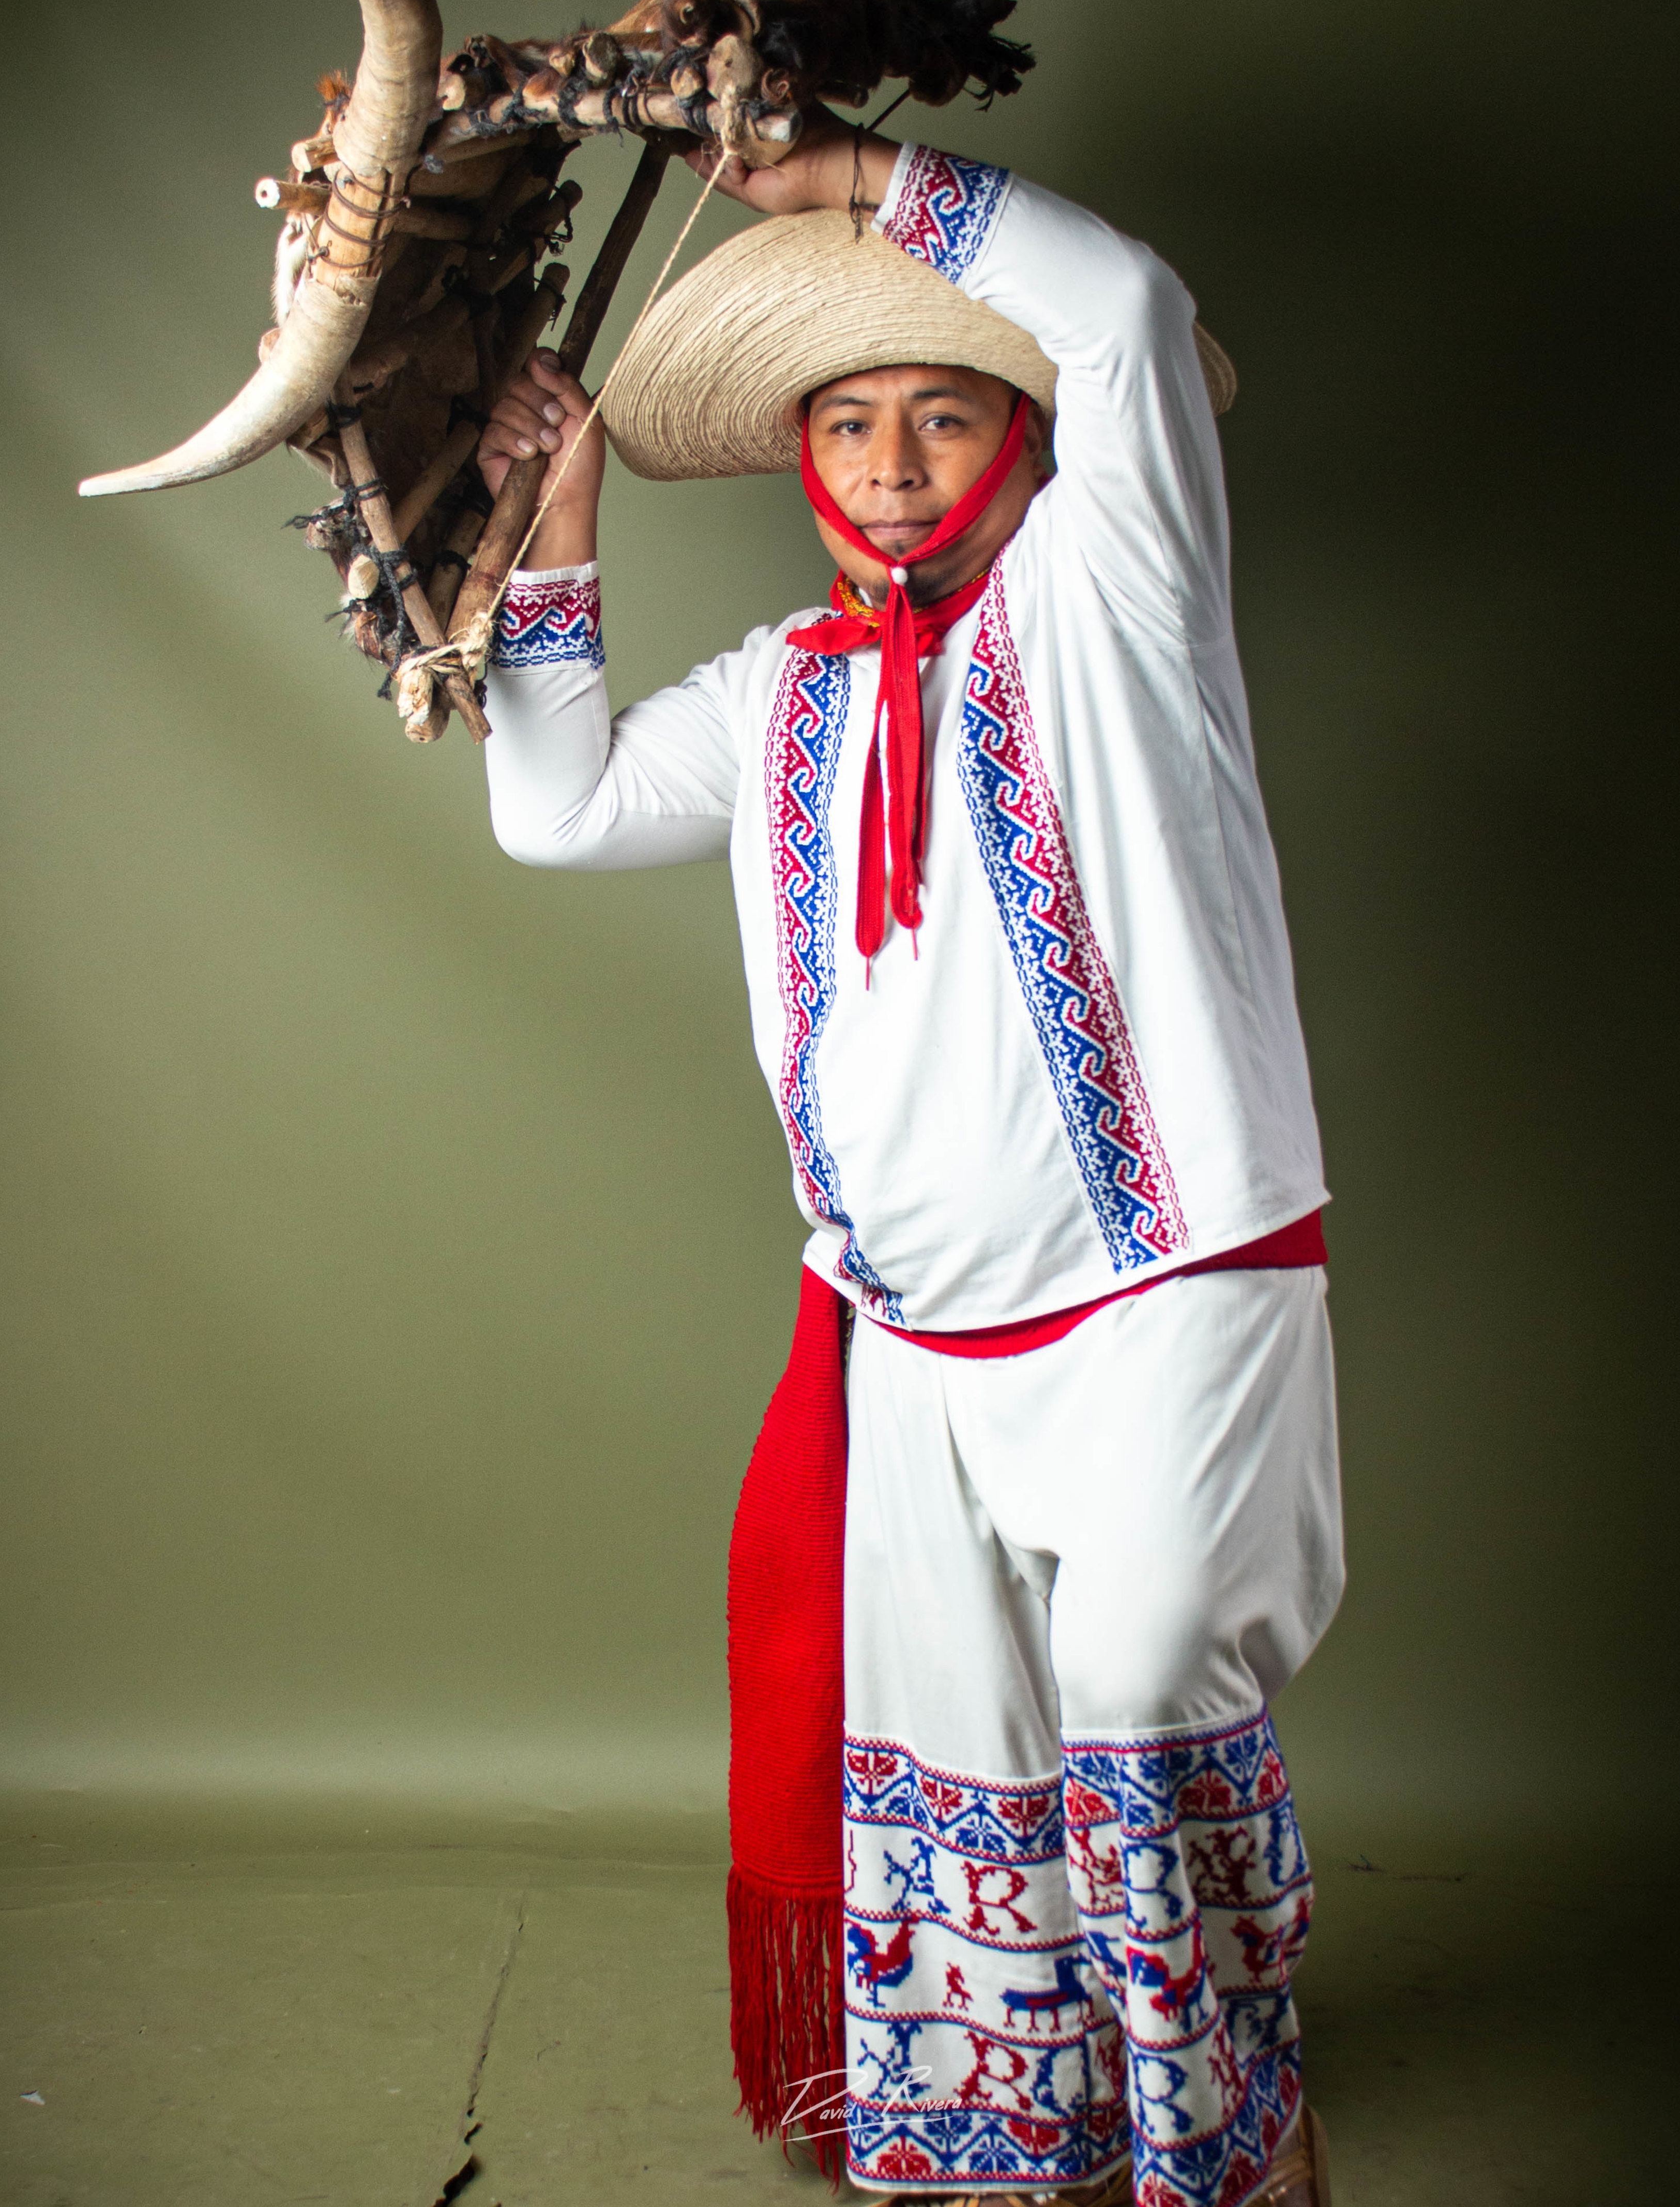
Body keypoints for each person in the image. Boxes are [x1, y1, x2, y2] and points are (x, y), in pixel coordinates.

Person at [475, 111, 1343, 2207]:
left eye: (942, 414)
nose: (887, 464)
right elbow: (555, 809)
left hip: (1169, 1286)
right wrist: (560, 522)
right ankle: (1033, 2139)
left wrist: (862, 175)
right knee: (983, 1757)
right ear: (801, 451)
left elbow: (1128, 307)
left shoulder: (1116, 593)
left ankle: (1241, 2132)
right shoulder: (782, 694)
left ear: (1026, 434)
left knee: (1137, 1678)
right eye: (848, 421)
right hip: (920, 1341)